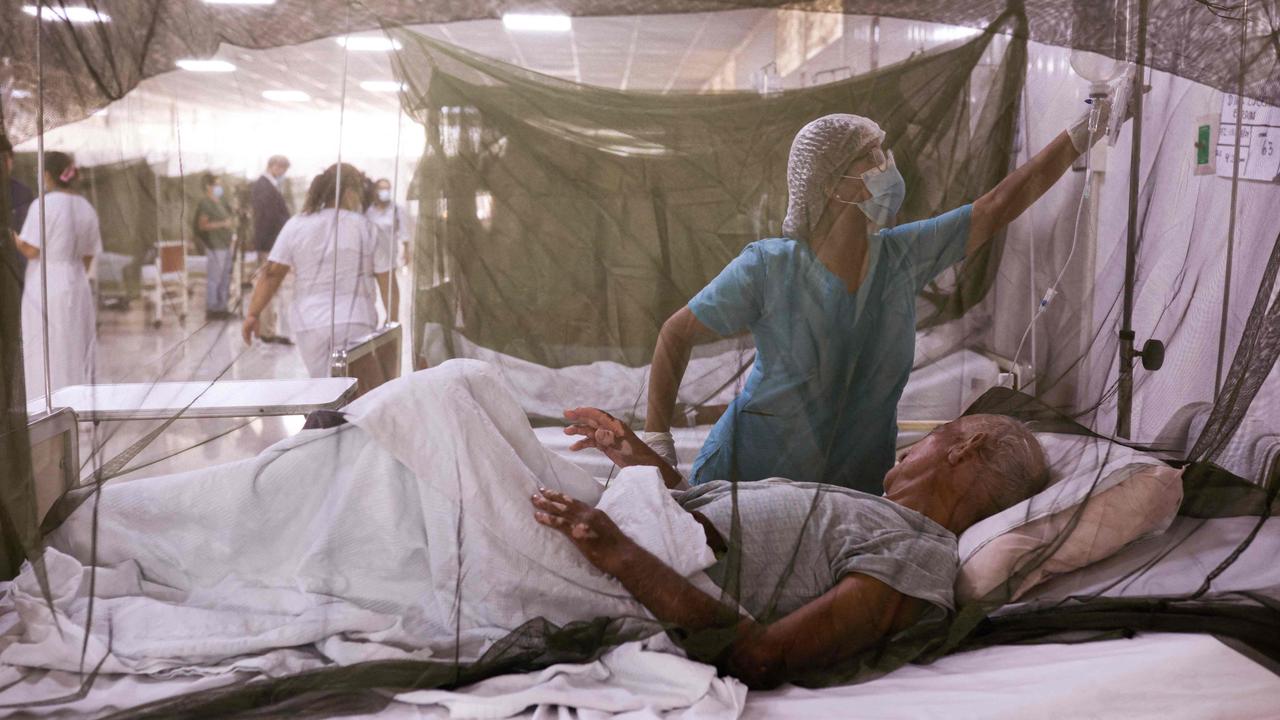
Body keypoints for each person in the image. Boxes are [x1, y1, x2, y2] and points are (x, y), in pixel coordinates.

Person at [5, 360, 1046, 690]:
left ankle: (114, 535)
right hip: (636, 531)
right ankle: (124, 534)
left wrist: (617, 548)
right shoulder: (867, 511)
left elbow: (767, 653)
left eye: (922, 444)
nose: (900, 451)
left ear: (954, 447)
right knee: (378, 469)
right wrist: (635, 462)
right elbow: (705, 523)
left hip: (628, 572)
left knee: (448, 401)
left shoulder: (912, 554)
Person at [645, 92, 1128, 493]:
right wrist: (657, 438)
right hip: (746, 476)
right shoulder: (770, 266)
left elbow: (996, 207)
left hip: (853, 485)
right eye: (872, 157)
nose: (888, 166)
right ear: (836, 185)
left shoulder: (902, 257)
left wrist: (1083, 133)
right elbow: (674, 334)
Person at [242, 163, 396, 377]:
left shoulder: (296, 225)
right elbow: (387, 281)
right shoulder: (367, 228)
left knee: (323, 388)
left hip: (309, 322)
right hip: (357, 320)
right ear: (349, 192)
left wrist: (253, 314)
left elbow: (272, 273)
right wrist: (391, 325)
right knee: (356, 391)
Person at [12, 151, 102, 399]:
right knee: (74, 344)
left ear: (48, 175)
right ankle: (76, 403)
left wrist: (13, 237)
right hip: (76, 283)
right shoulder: (86, 207)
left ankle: (45, 404)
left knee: (44, 347)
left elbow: (31, 249)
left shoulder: (44, 205)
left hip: (45, 284)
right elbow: (88, 255)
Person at [250, 155, 292, 344]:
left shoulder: (269, 185)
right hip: (270, 244)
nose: (283, 173)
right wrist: (273, 245)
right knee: (267, 286)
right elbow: (266, 219)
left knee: (270, 287)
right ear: (274, 166)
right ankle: (267, 331)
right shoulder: (263, 186)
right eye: (282, 169)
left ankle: (269, 329)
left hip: (272, 244)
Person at [194, 173, 235, 320]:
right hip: (214, 245)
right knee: (215, 278)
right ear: (208, 186)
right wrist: (222, 224)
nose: (220, 187)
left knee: (225, 277)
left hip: (225, 245)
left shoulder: (220, 202)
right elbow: (202, 225)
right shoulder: (206, 203)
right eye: (217, 184)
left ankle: (222, 307)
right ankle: (212, 308)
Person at [2, 135, 35, 289]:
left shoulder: (22, 192)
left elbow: (28, 233)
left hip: (15, 267)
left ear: (11, 161)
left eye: (5, 159)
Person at [365, 177, 412, 268]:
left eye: (387, 189)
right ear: (376, 190)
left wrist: (406, 252)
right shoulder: (369, 211)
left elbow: (404, 232)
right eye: (382, 189)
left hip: (390, 253)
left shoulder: (397, 210)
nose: (385, 191)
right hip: (372, 254)